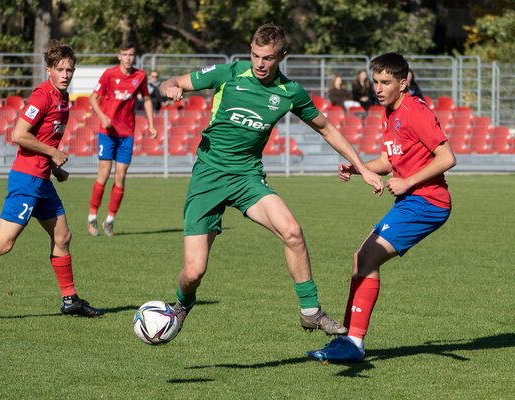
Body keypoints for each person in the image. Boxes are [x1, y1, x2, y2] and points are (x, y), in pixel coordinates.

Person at [159, 23, 384, 337]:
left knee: (292, 231)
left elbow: (327, 128)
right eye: (255, 55)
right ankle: (183, 303)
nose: (259, 63)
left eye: (267, 58)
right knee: (194, 272)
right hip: (208, 177)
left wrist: (363, 166)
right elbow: (169, 81)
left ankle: (311, 312)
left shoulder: (289, 92)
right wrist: (170, 87)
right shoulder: (228, 73)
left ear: (282, 56)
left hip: (247, 178)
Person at [0, 40, 105, 323]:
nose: (66, 74)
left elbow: (44, 138)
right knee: (3, 243)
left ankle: (70, 299)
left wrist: (53, 168)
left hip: (42, 180)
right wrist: (52, 152)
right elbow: (18, 134)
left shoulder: (63, 100)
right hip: (26, 180)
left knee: (62, 236)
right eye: (60, 69)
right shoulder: (42, 96)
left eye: (70, 70)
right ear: (48, 70)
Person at [309, 53, 456, 363]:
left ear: (404, 83)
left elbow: (447, 158)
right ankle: (348, 339)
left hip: (428, 202)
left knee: (365, 256)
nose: (378, 87)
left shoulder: (416, 112)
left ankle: (353, 342)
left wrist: (407, 182)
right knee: (361, 258)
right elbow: (390, 161)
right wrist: (359, 167)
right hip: (413, 200)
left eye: (386, 82)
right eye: (375, 81)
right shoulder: (391, 113)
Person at [87, 41, 158, 237]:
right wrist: (102, 116)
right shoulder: (109, 75)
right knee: (104, 174)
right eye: (124, 54)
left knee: (120, 176)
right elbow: (92, 98)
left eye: (131, 55)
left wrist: (151, 124)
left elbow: (148, 99)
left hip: (127, 133)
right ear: (119, 56)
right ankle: (92, 217)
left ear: (134, 56)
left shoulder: (140, 76)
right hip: (107, 132)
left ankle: (109, 220)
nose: (128, 58)